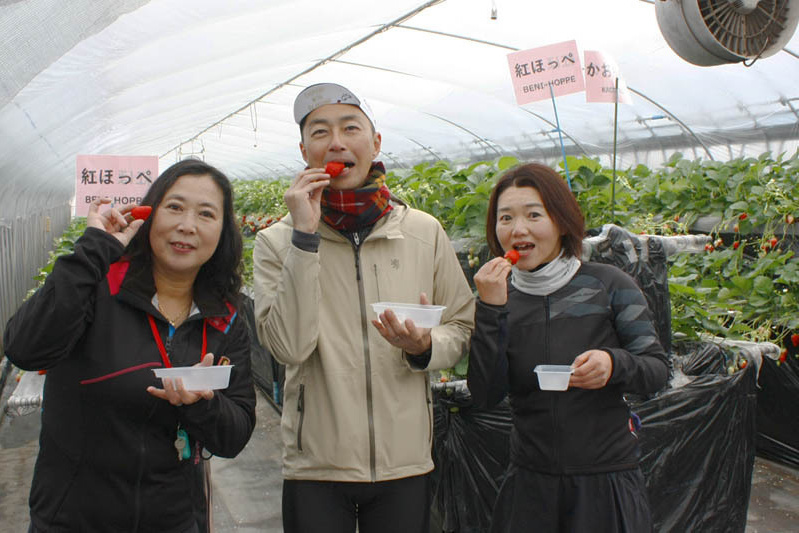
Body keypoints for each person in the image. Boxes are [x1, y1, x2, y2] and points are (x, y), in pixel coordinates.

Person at [252, 82, 475, 533]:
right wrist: (304, 238)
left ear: (374, 144)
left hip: (405, 461)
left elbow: (462, 324)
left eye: (350, 127)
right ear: (303, 151)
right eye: (320, 132)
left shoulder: (423, 232)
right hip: (316, 465)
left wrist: (424, 346)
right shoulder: (277, 242)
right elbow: (287, 347)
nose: (336, 142)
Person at [3, 159, 257, 533]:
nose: (187, 225)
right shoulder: (95, 289)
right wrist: (92, 251)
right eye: (174, 207)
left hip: (174, 520)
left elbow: (234, 435)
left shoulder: (225, 317)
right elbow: (25, 348)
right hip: (74, 520)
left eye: (206, 214)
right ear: (149, 215)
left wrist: (204, 406)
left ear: (223, 231)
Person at [467, 162, 669, 532]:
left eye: (533, 215)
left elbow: (656, 370)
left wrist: (614, 364)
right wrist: (490, 311)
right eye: (506, 218)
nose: (518, 229)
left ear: (560, 221)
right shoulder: (500, 297)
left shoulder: (608, 285)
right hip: (530, 484)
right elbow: (484, 395)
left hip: (605, 481)